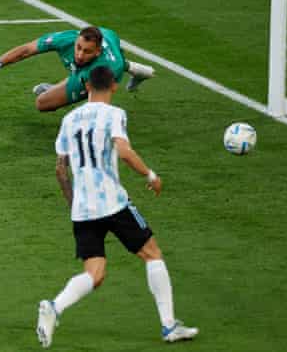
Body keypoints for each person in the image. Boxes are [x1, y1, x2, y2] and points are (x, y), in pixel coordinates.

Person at [36, 66, 198, 347]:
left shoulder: (69, 119)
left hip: (83, 209)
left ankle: (55, 306)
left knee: (94, 274)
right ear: (113, 86)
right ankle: (169, 325)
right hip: (113, 202)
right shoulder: (114, 115)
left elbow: (60, 169)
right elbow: (124, 151)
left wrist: (74, 205)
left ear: (86, 86)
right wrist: (150, 175)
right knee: (152, 254)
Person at [0, 25, 155, 112]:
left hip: (108, 66)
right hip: (108, 36)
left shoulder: (103, 68)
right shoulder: (67, 39)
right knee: (45, 102)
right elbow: (26, 50)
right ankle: (137, 68)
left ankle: (131, 68)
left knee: (45, 103)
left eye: (86, 52)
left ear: (97, 53)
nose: (79, 54)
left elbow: (98, 106)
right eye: (78, 47)